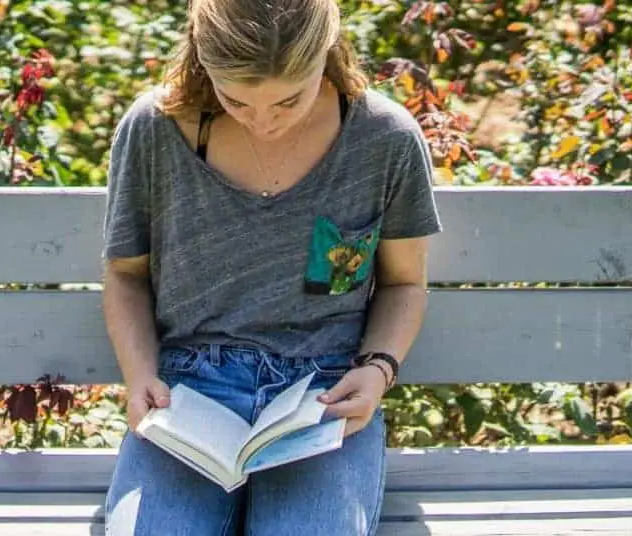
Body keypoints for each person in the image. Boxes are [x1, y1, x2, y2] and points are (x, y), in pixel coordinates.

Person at [100, 0, 442, 534]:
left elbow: (404, 283)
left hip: (322, 395)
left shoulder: (383, 137)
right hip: (189, 393)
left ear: (325, 55)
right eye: (235, 99)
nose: (263, 122)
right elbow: (126, 273)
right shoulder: (154, 127)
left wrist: (377, 370)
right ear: (201, 58)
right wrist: (141, 375)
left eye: (289, 100)